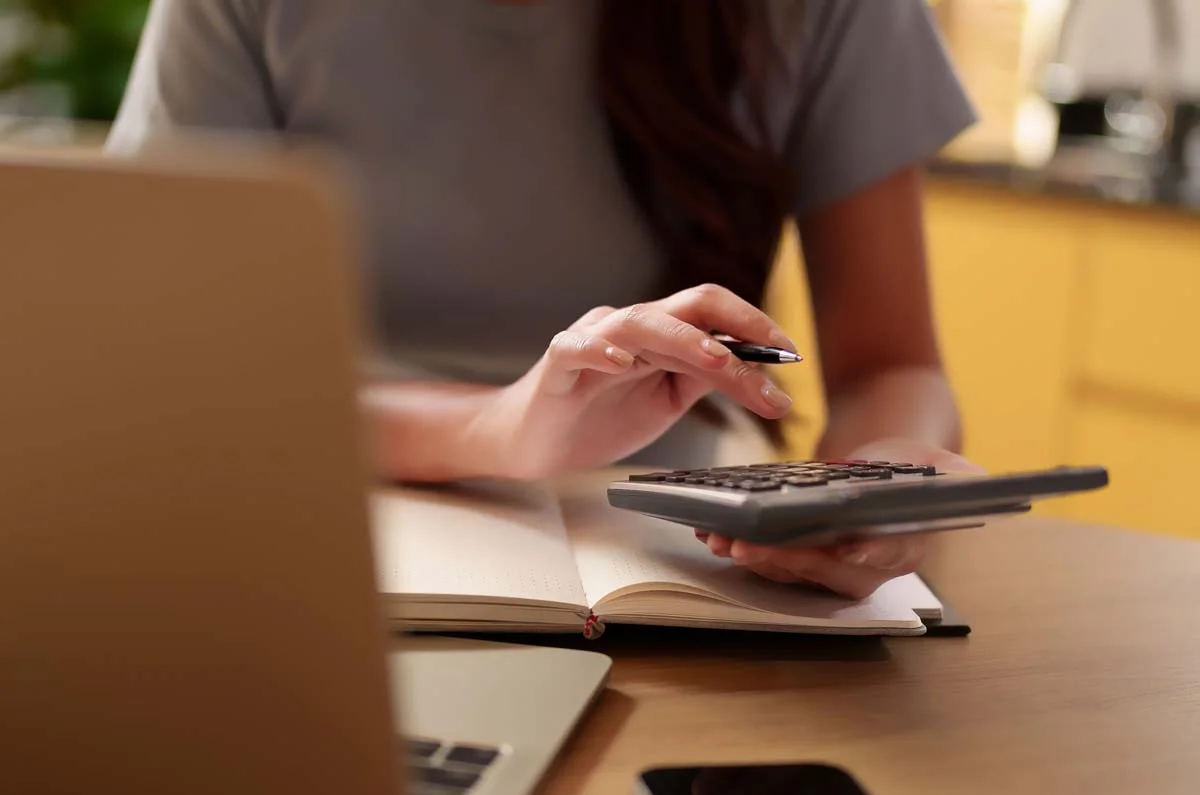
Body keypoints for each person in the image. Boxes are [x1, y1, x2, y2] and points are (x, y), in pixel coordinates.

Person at [108, 0, 985, 600]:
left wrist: (875, 478)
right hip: (316, 532)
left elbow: (892, 367)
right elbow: (175, 378)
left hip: (688, 566)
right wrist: (497, 429)